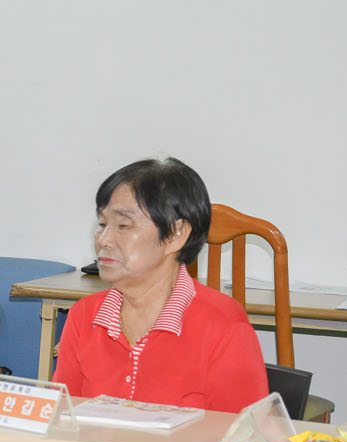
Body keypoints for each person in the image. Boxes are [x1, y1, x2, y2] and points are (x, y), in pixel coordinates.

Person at [51, 158, 268, 412]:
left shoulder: (222, 325)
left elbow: (244, 432)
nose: (104, 240)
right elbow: (61, 418)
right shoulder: (85, 316)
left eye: (123, 225)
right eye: (102, 224)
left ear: (176, 234)